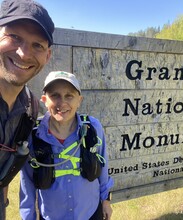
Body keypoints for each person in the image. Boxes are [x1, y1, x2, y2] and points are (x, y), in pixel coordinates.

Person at [20, 71, 114, 220]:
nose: (62, 103)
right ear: (44, 99)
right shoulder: (33, 135)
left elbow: (103, 165)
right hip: (52, 215)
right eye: (55, 95)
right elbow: (27, 183)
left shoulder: (93, 128)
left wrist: (106, 201)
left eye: (69, 95)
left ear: (79, 100)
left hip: (90, 213)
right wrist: (28, 217)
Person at [0, 0, 54, 219]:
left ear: (47, 56)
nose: (23, 54)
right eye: (14, 37)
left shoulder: (31, 109)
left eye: (37, 45)